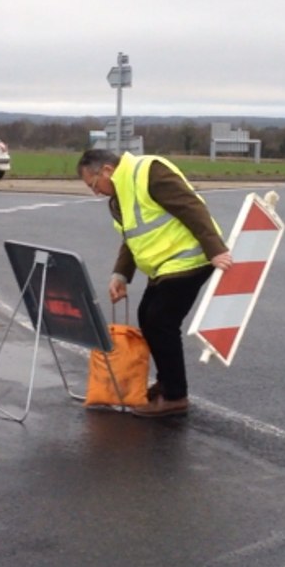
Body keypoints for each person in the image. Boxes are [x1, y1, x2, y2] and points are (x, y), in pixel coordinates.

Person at [76, 149, 232, 417]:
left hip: (190, 259)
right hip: (165, 266)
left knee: (161, 321)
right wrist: (121, 275)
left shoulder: (149, 171)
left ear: (107, 171)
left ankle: (175, 396)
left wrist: (215, 250)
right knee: (148, 317)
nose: (96, 192)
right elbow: (132, 237)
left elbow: (191, 207)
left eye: (94, 184)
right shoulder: (119, 196)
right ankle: (166, 383)